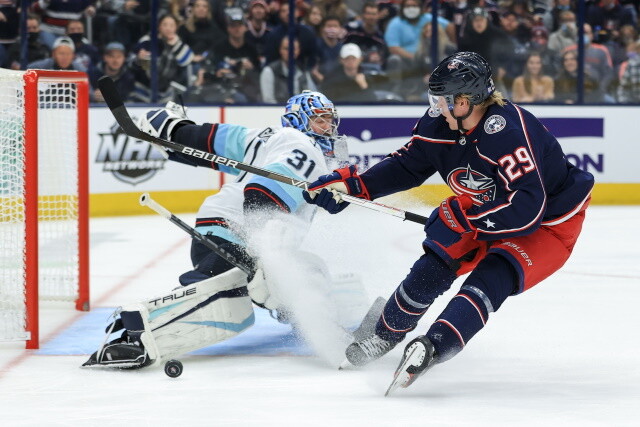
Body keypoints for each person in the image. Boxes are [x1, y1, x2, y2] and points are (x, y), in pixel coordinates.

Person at [304, 51, 594, 393]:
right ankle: (384, 336)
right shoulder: (440, 124)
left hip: (549, 221)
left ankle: (434, 345)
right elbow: (407, 165)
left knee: (494, 275)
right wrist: (354, 185)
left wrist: (462, 217)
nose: (435, 106)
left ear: (465, 101)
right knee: (435, 264)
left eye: (441, 100)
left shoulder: (507, 132)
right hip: (485, 207)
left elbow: (527, 209)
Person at [84, 90, 347, 369]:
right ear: (299, 121)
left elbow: (205, 140)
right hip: (235, 233)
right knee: (222, 295)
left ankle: (301, 314)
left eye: (330, 120)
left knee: (312, 271)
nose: (329, 128)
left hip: (220, 225)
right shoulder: (305, 146)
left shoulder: (266, 137)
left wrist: (170, 126)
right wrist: (267, 253)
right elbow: (263, 195)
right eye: (321, 120)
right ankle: (132, 333)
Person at [129, 13, 194, 103]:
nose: (168, 28)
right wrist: (139, 59)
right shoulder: (147, 41)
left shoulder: (178, 43)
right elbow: (133, 63)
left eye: (172, 25)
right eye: (165, 25)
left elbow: (186, 60)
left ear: (176, 28)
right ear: (159, 27)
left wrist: (175, 44)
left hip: (166, 92)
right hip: (142, 90)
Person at [260, 37, 317, 103]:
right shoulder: (269, 71)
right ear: (280, 50)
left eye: (294, 49)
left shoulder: (303, 71)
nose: (290, 52)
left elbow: (313, 97)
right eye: (287, 49)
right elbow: (268, 101)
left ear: (298, 51)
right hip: (277, 111)